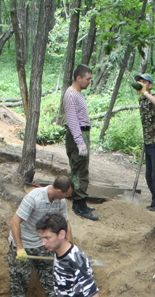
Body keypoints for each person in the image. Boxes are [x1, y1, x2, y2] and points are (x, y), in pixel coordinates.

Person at [8, 176, 73, 297]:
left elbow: (65, 225)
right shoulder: (33, 198)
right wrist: (19, 248)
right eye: (66, 194)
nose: (68, 197)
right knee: (20, 277)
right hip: (23, 241)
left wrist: (68, 248)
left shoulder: (60, 201)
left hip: (42, 243)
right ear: (58, 190)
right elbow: (15, 222)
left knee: (50, 273)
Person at [63, 64, 98, 221]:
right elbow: (72, 120)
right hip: (77, 134)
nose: (90, 81)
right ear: (78, 78)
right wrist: (79, 142)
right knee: (78, 170)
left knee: (82, 169)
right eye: (88, 78)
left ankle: (81, 201)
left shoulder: (77, 94)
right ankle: (79, 204)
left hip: (83, 133)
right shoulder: (71, 95)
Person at [135, 74, 155, 212]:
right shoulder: (141, 100)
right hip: (148, 143)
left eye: (144, 82)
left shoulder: (154, 98)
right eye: (139, 81)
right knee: (149, 175)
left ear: (150, 85)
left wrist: (146, 93)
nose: (141, 83)